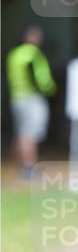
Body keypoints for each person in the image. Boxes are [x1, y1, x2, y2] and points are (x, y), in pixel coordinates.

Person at [6, 25, 57, 178]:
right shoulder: (33, 54)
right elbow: (41, 78)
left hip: (16, 98)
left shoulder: (14, 54)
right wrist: (51, 90)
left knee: (21, 132)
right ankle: (30, 166)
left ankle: (21, 164)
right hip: (32, 98)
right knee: (31, 133)